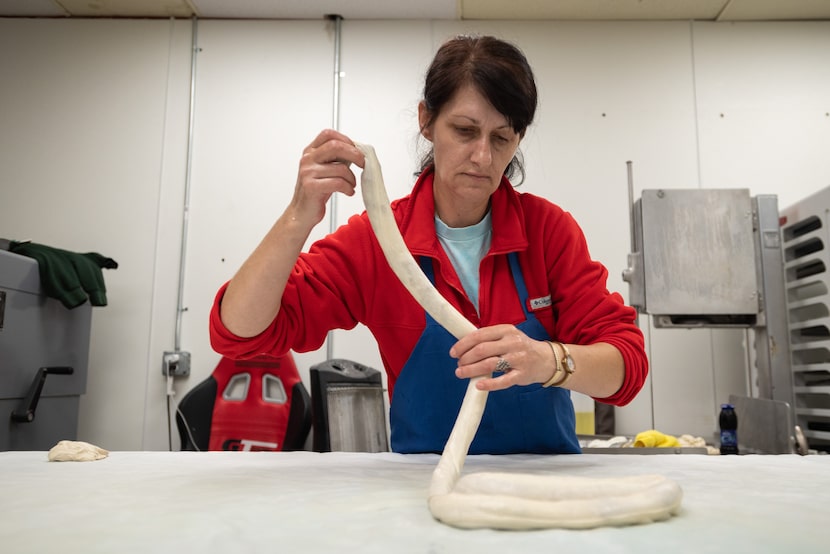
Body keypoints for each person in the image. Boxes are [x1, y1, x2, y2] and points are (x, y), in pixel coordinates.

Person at [209, 35, 647, 455]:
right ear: (426, 120)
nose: (483, 157)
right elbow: (240, 333)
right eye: (464, 130)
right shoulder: (378, 241)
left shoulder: (547, 231)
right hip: (422, 486)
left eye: (502, 138)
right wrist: (298, 215)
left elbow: (626, 366)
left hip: (544, 487)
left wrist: (548, 360)